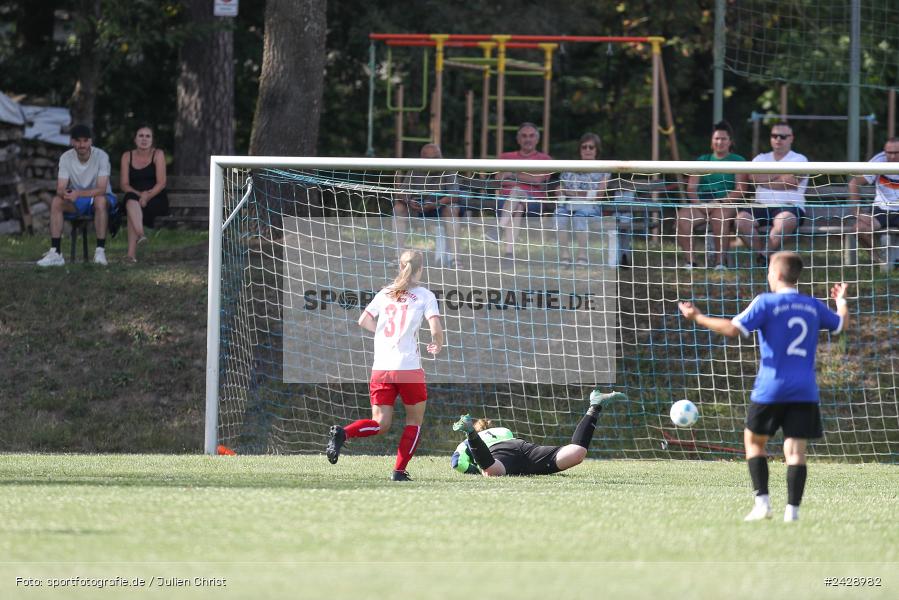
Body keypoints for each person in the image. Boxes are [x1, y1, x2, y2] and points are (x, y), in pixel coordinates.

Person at [678, 251, 849, 522]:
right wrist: (840, 302)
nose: (768, 274)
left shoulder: (766, 303)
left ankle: (762, 505)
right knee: (795, 451)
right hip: (804, 390)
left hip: (772, 387)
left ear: (778, 274)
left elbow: (733, 329)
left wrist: (698, 317)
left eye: (769, 270)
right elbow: (840, 324)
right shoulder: (812, 305)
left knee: (754, 442)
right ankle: (792, 512)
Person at [326, 249, 444, 481]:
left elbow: (363, 320)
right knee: (414, 421)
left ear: (400, 267)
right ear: (420, 269)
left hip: (381, 367)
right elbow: (435, 329)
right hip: (408, 368)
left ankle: (343, 433)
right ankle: (399, 471)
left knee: (380, 423)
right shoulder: (425, 295)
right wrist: (436, 344)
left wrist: (382, 334)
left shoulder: (385, 293)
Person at [450, 390, 626, 476]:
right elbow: (514, 449)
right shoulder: (503, 431)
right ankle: (595, 405)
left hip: (500, 457)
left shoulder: (464, 446)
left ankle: (470, 433)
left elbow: (457, 463)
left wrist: (476, 471)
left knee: (491, 472)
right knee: (577, 453)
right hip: (524, 448)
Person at [37, 124, 117, 267]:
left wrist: (78, 193)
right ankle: (56, 253)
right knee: (56, 201)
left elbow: (102, 189)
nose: (82, 145)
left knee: (99, 200)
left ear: (91, 141)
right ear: (72, 142)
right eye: (78, 141)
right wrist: (65, 193)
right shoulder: (66, 158)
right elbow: (60, 188)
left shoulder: (102, 156)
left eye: (85, 140)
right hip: (78, 200)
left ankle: (100, 252)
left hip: (102, 198)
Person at [676, 121, 748, 270]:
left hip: (726, 204)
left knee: (719, 217)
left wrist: (720, 201)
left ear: (730, 142)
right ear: (711, 141)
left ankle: (720, 263)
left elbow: (741, 190)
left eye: (723, 139)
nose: (719, 142)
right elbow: (691, 188)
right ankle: (691, 262)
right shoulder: (702, 160)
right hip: (702, 204)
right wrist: (701, 205)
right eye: (716, 138)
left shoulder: (738, 161)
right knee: (683, 217)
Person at [735, 123, 808, 265]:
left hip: (789, 207)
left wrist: (765, 177)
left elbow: (791, 183)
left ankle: (764, 257)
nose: (778, 139)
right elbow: (752, 177)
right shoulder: (761, 158)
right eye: (774, 136)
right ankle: (764, 257)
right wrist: (781, 173)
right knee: (741, 221)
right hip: (761, 206)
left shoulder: (800, 159)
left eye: (783, 136)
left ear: (791, 138)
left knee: (785, 220)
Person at [394, 143, 463, 267]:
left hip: (440, 209)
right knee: (398, 208)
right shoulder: (415, 169)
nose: (434, 162)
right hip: (417, 208)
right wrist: (409, 201)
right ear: (422, 159)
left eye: (436, 158)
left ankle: (455, 259)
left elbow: (454, 196)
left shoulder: (449, 169)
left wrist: (436, 204)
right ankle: (398, 257)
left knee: (452, 210)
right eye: (430, 159)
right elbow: (402, 193)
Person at [493, 122, 553, 260]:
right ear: (518, 139)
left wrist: (512, 174)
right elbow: (498, 180)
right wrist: (527, 176)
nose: (528, 139)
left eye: (531, 136)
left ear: (537, 139)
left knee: (517, 190)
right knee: (518, 205)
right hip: (505, 204)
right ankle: (509, 254)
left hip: (534, 203)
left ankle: (499, 229)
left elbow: (538, 180)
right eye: (524, 136)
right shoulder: (505, 157)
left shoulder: (545, 159)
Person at [555, 132, 610, 265]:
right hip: (568, 206)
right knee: (559, 215)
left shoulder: (604, 169)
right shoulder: (569, 168)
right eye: (584, 147)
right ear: (579, 150)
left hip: (591, 208)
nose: (587, 150)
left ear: (597, 150)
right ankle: (565, 256)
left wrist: (572, 193)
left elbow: (598, 196)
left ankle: (582, 256)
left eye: (591, 147)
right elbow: (559, 189)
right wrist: (580, 193)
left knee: (580, 215)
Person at [119, 125, 169, 263]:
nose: (144, 139)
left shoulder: (158, 154)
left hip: (155, 197)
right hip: (134, 195)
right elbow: (124, 184)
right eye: (141, 136)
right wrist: (140, 195)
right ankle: (141, 235)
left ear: (152, 140)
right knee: (131, 201)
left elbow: (161, 183)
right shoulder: (127, 156)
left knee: (131, 207)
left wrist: (147, 196)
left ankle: (131, 255)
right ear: (135, 139)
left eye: (148, 136)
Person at [849, 137, 899, 255]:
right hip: (881, 210)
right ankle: (878, 260)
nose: (892, 156)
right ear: (884, 151)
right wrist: (857, 212)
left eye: (896, 153)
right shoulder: (878, 161)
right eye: (889, 152)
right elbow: (853, 183)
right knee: (858, 230)